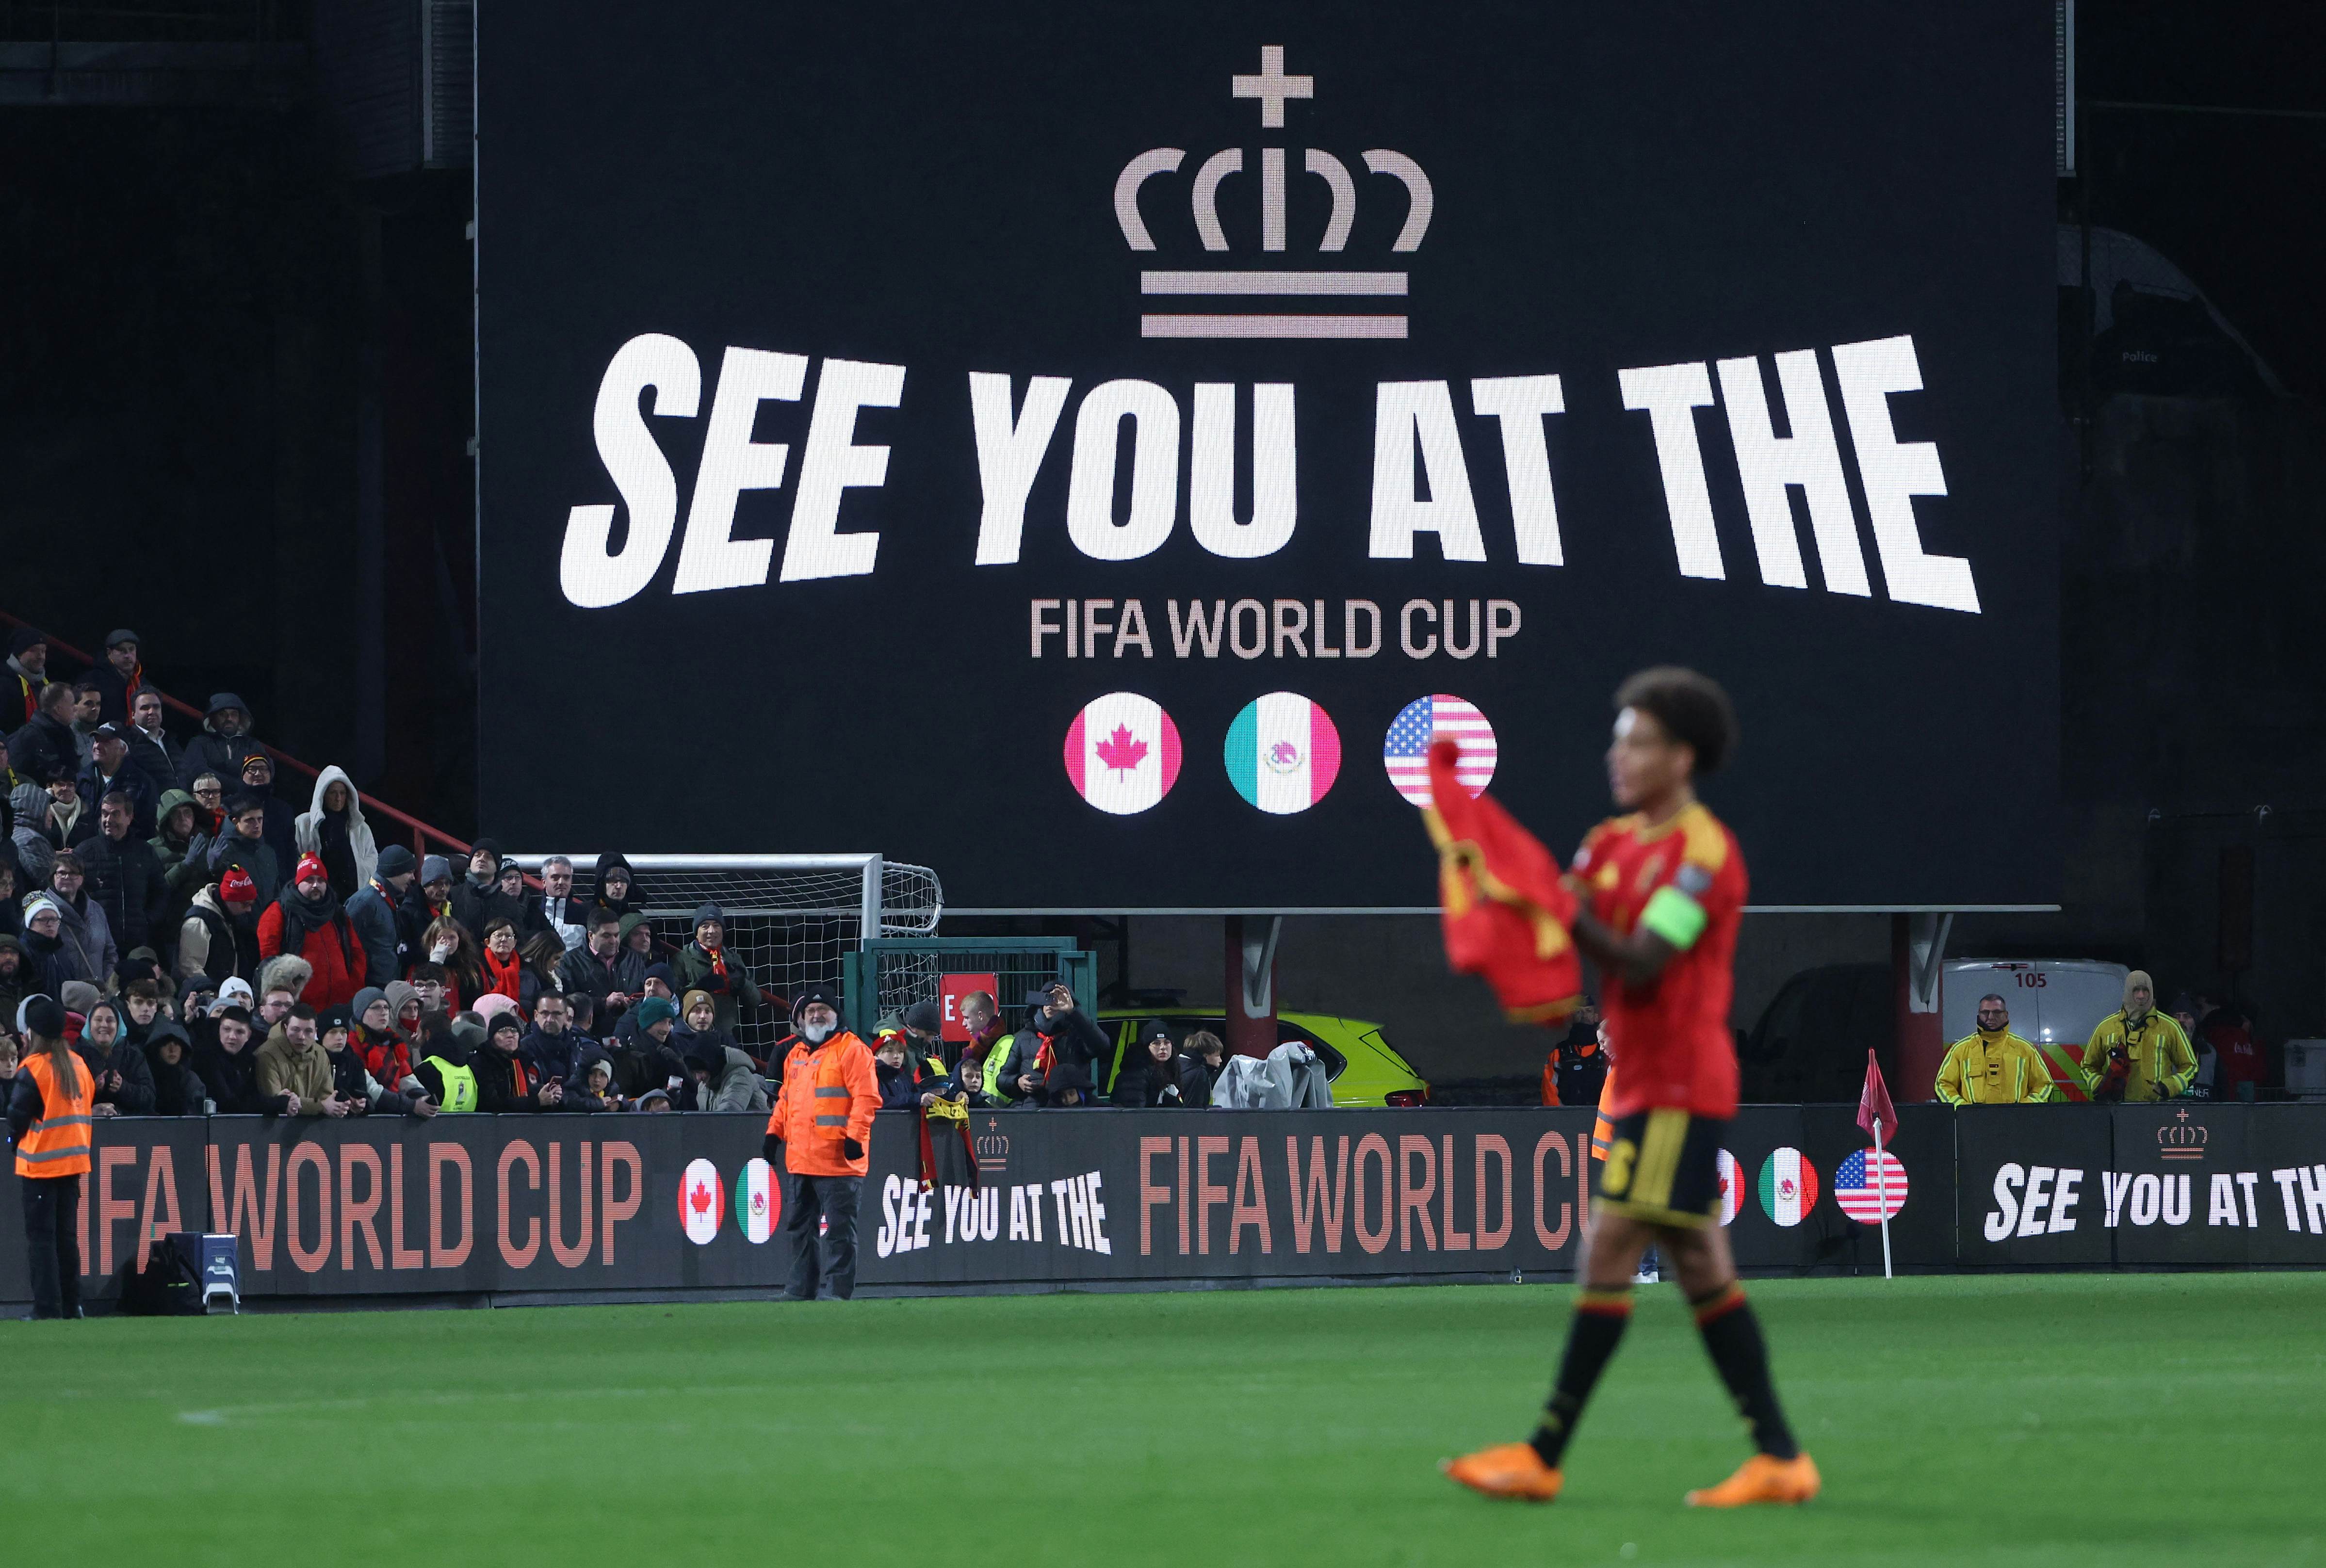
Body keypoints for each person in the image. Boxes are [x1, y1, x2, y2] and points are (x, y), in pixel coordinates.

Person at [1445, 666, 1816, 1508]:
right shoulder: (1607, 844)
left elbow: (1644, 957)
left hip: (1679, 1082)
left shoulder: (1705, 856)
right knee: (1698, 1263)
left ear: (1681, 757)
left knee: (1611, 1246)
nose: (1618, 756)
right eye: (1617, 741)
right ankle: (1779, 1456)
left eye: (1638, 741)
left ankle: (1543, 1452)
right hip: (1644, 1080)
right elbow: (1554, 921)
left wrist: (1547, 901)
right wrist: (1493, 891)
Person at [763, 986, 878, 1300]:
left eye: (822, 1010)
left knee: (840, 1232)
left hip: (839, 1160)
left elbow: (866, 1098)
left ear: (835, 1014)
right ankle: (801, 1289)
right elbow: (786, 1100)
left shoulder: (853, 1050)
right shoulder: (796, 1054)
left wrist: (855, 1137)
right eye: (810, 1011)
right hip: (801, 1159)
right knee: (800, 1228)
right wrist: (774, 1133)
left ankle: (838, 1292)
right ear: (801, 1018)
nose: (816, 1015)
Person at [8, 994, 91, 1318]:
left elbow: (17, 1116)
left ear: (32, 1033)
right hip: (73, 1164)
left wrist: (13, 1141)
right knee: (67, 1240)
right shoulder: (79, 1066)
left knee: (42, 1241)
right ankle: (72, 1305)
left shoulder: (34, 1068)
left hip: (40, 1165)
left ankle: (47, 1307)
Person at [256, 853, 364, 1009]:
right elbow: (269, 959)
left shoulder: (337, 912)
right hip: (301, 1008)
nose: (315, 885)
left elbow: (357, 952)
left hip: (341, 1003)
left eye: (321, 880)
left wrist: (352, 988)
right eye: (309, 880)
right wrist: (287, 997)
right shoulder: (279, 911)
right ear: (298, 882)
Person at [2082, 970, 2196, 1103]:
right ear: (2127, 992)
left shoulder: (2170, 1027)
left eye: (2146, 990)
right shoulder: (2106, 1028)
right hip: (2117, 1109)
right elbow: (2088, 1066)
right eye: (2136, 990)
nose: (2141, 996)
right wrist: (2101, 1086)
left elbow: (2191, 1066)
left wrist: (2169, 1087)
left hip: (2156, 1109)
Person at [79, 790, 165, 959]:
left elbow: (160, 891)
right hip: (98, 946)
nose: (108, 820)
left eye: (115, 814)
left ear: (129, 817)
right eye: (105, 814)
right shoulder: (85, 852)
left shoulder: (145, 851)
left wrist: (148, 920)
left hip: (138, 944)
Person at [1935, 995, 2054, 1105]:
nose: (1991, 1017)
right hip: (1973, 1120)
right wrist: (1963, 1109)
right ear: (1979, 1015)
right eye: (1985, 1012)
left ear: (2006, 1015)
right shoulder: (1961, 1050)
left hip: (2015, 1119)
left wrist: (2025, 1109)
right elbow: (1943, 1084)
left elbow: (2044, 1084)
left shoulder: (2025, 1049)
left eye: (1997, 1012)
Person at [671, 903, 759, 1036]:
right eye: (705, 926)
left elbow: (755, 1000)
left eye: (716, 925)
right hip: (692, 1034)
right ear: (696, 932)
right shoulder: (682, 959)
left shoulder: (733, 959)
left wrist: (742, 983)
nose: (711, 931)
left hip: (727, 1033)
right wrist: (698, 989)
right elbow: (672, 1000)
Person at [293, 766, 377, 900]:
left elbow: (372, 858)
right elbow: (295, 856)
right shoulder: (304, 823)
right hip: (315, 896)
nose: (338, 798)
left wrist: (357, 868)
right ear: (323, 794)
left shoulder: (360, 827)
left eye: (343, 793)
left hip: (352, 896)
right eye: (333, 793)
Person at [255, 1004, 353, 1118]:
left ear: (316, 1032)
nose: (302, 1037)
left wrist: (336, 1106)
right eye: (296, 1030)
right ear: (285, 1028)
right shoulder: (267, 1054)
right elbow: (276, 1102)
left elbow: (327, 1098)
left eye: (308, 1031)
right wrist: (320, 1106)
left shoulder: (321, 1054)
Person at [345, 843, 417, 988]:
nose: (413, 878)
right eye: (410, 872)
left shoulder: (387, 898)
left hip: (388, 984)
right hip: (370, 986)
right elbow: (347, 944)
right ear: (395, 870)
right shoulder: (364, 902)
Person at [179, 866, 262, 984]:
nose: (249, 910)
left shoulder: (231, 916)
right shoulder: (198, 922)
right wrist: (211, 991)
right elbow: (190, 966)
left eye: (251, 904)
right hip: (211, 993)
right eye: (245, 904)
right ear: (229, 899)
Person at [558, 907, 644, 1018]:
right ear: (591, 936)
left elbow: (644, 994)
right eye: (607, 936)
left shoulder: (633, 959)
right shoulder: (569, 962)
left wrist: (633, 1004)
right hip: (589, 1026)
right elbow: (567, 1001)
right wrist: (604, 1003)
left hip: (628, 1026)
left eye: (617, 935)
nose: (613, 941)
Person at [76, 997, 155, 1116]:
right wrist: (92, 1090)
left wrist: (123, 1088)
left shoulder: (133, 1055)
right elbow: (66, 1098)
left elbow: (149, 1097)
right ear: (89, 1026)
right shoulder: (76, 1055)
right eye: (98, 1020)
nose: (104, 1025)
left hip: (127, 1124)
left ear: (118, 1026)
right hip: (86, 1124)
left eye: (110, 1021)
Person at [48, 854, 116, 988]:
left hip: (96, 992)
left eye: (73, 873)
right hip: (63, 992)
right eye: (62, 873)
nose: (67, 877)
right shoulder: (43, 912)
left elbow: (110, 951)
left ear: (82, 879)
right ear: (53, 877)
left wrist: (106, 981)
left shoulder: (96, 910)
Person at [472, 1010, 563, 1112]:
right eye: (503, 1031)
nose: (510, 1035)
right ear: (492, 1038)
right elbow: (492, 1105)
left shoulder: (519, 1061)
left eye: (514, 1030)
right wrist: (537, 1101)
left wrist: (549, 1096)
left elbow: (525, 1095)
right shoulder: (481, 1061)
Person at [80, 722, 157, 841]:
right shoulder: (82, 778)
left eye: (106, 742)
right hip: (85, 846)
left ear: (123, 749)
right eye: (97, 741)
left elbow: (146, 827)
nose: (98, 746)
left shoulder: (142, 783)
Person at [205, 793, 282, 906]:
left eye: (260, 819)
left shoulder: (268, 852)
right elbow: (221, 893)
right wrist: (214, 870)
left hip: (268, 916)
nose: (257, 825)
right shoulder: (225, 851)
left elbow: (276, 891)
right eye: (250, 820)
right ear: (236, 822)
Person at [178, 693, 262, 790]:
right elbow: (197, 772)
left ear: (241, 718)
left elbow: (263, 771)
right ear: (212, 718)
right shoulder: (199, 743)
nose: (229, 719)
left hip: (247, 798)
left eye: (234, 714)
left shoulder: (252, 744)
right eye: (223, 715)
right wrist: (239, 785)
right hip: (209, 796)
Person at [1111, 1020, 1204, 1107]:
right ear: (1146, 1048)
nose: (1163, 1047)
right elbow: (1134, 1114)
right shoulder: (1134, 1075)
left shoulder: (1170, 1071)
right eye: (1156, 1043)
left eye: (1167, 1042)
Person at [150, 787, 206, 926]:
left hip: (206, 920)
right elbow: (156, 891)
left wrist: (216, 869)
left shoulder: (207, 843)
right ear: (167, 819)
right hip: (172, 924)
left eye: (187, 813)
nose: (183, 818)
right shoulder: (152, 849)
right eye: (176, 814)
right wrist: (184, 866)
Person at [7, 681, 81, 786]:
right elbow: (16, 778)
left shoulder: (66, 734)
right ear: (58, 709)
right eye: (72, 704)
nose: (76, 708)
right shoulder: (27, 738)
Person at [235, 753, 298, 875]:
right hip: (243, 877)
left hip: (279, 878)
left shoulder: (284, 809)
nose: (258, 773)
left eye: (263, 769)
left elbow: (291, 850)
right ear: (243, 775)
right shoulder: (231, 807)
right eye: (252, 769)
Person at [1542, 1002, 1610, 1109]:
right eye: (1579, 1012)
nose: (1584, 1015)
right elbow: (1549, 1093)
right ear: (1572, 1017)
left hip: (1603, 1114)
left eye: (1588, 1011)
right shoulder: (1560, 1053)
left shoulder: (1608, 1050)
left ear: (1596, 1017)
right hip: (1568, 1116)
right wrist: (1560, 1116)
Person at [873, 1018, 948, 1110]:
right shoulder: (871, 1077)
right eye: (890, 1051)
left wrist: (953, 1096)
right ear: (877, 1055)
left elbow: (921, 1093)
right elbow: (883, 1102)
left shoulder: (905, 1079)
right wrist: (917, 1100)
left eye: (901, 1052)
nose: (897, 1056)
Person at [688, 1033, 772, 1114]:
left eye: (700, 1072)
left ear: (712, 1066)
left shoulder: (741, 1078)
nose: (698, 1078)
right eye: (694, 1073)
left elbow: (728, 1116)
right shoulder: (703, 1086)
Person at [142, 1021, 207, 1115]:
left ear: (183, 1049)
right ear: (156, 1048)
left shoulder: (190, 1080)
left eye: (177, 1044)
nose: (172, 1050)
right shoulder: (144, 1077)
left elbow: (196, 1117)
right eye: (165, 1043)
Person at [125, 690, 179, 798]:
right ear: (133, 715)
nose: (152, 712)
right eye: (145, 708)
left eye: (156, 707)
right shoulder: (128, 743)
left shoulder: (171, 741)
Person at [88, 629, 144, 725]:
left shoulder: (143, 684)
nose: (128, 655)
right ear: (109, 653)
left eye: (131, 649)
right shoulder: (93, 680)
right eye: (122, 650)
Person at [535, 856, 587, 951]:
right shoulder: (532, 913)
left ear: (571, 882)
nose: (561, 882)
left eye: (566, 878)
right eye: (555, 877)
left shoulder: (585, 915)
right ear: (544, 882)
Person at [5, 627, 48, 725]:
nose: (41, 656)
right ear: (19, 654)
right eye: (33, 650)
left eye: (43, 651)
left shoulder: (45, 685)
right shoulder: (4, 683)